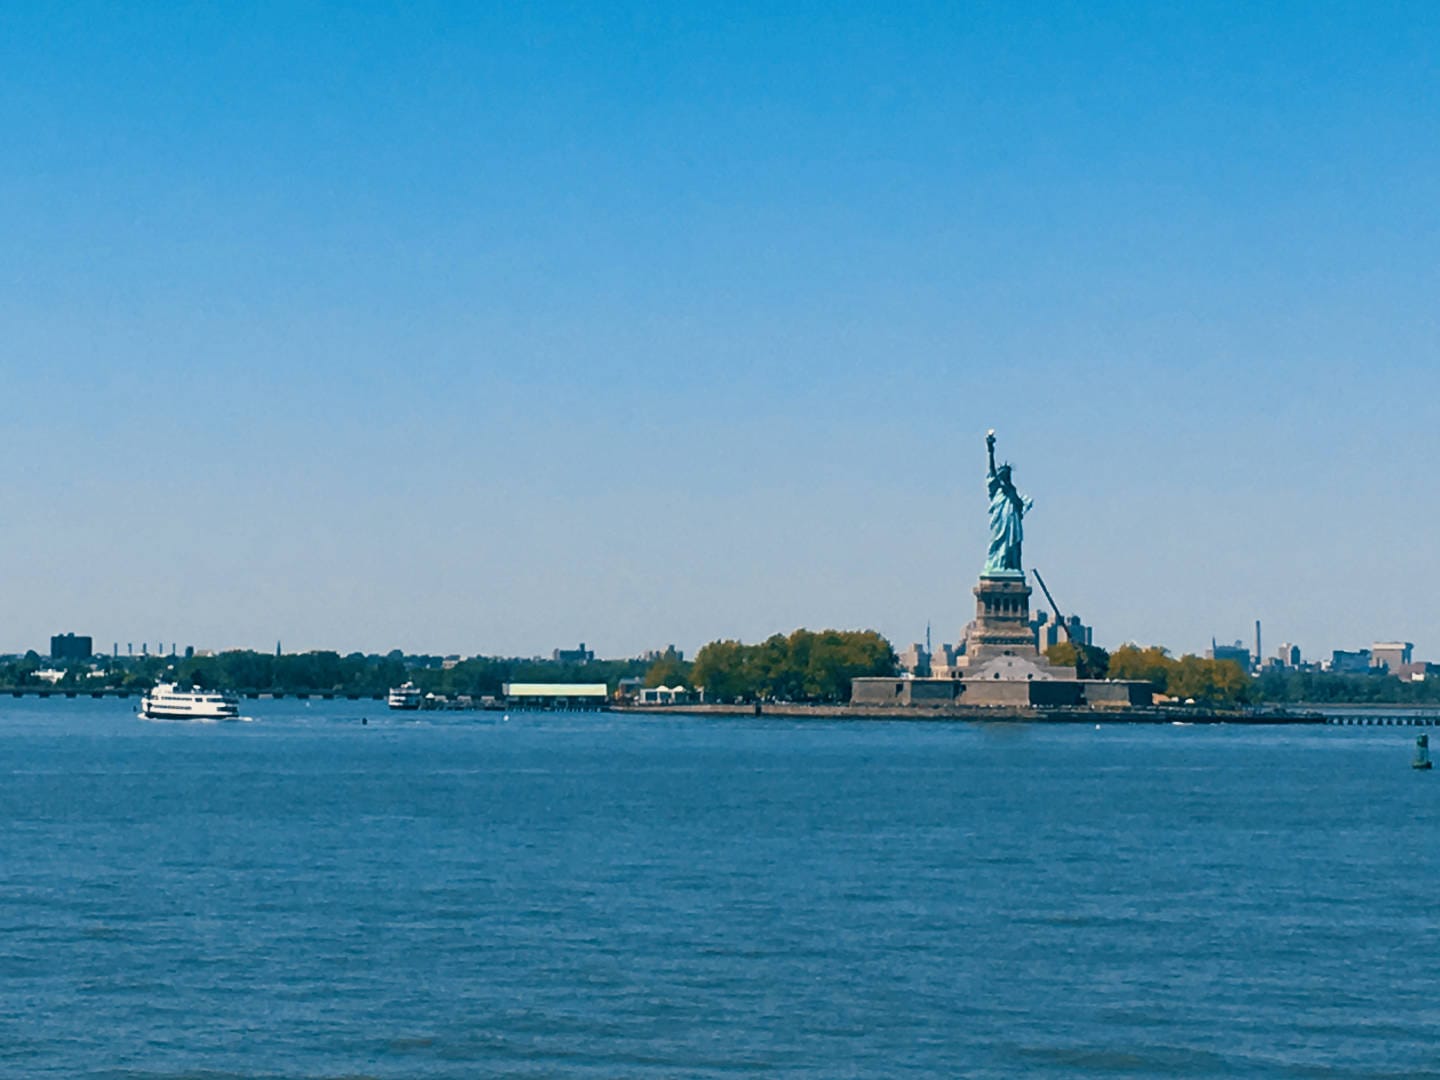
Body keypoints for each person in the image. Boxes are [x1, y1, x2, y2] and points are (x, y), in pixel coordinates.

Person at [984, 430, 1032, 574]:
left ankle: (1012, 567)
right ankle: (998, 566)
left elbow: (1021, 506)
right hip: (1000, 524)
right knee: (997, 543)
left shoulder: (1013, 491)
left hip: (1013, 523)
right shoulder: (996, 489)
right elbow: (991, 470)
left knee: (1014, 545)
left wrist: (1018, 501)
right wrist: (990, 451)